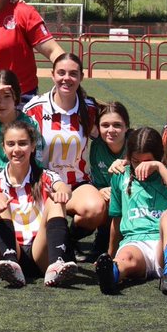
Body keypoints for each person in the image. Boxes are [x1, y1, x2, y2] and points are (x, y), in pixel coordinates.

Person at [23, 53, 106, 259]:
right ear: (52, 75)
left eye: (73, 74)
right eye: (61, 73)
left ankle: (69, 238)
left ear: (81, 77)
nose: (66, 78)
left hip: (77, 184)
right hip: (42, 185)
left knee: (95, 208)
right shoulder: (35, 108)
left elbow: (112, 135)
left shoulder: (90, 109)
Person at [0, 121, 78, 288]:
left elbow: (63, 187)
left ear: (32, 147)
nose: (16, 149)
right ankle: (10, 263)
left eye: (22, 143)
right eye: (11, 144)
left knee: (55, 200)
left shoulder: (46, 176)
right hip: (9, 250)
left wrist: (63, 193)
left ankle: (56, 263)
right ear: (3, 147)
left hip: (41, 251)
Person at [93, 127, 167, 295]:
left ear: (158, 157)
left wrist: (160, 168)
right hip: (136, 241)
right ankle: (112, 273)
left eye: (147, 161)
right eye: (135, 161)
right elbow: (116, 220)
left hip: (166, 242)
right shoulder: (120, 175)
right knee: (125, 258)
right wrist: (110, 255)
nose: (140, 167)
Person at [88, 101, 130, 257]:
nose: (111, 130)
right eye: (105, 125)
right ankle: (103, 238)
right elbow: (98, 182)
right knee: (102, 200)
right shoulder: (97, 147)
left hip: (134, 198)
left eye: (117, 125)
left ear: (126, 127)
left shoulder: (135, 145)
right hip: (111, 200)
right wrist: (101, 190)